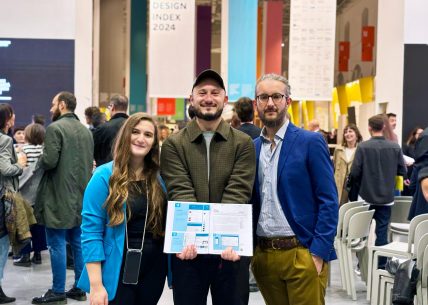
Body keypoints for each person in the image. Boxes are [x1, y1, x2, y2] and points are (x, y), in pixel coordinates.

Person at [160, 69, 256, 305]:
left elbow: (239, 191)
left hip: (230, 251)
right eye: (202, 92)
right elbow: (180, 190)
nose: (208, 98)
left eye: (215, 92)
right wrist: (193, 238)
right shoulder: (174, 144)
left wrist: (223, 239)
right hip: (189, 250)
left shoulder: (242, 143)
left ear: (225, 99)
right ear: (191, 99)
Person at [250, 74, 338, 305]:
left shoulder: (310, 142)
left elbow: (328, 200)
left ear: (288, 101)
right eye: (264, 97)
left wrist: (318, 252)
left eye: (277, 96)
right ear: (255, 103)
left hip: (302, 253)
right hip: (264, 255)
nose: (270, 103)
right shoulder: (252, 148)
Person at [78, 113, 167, 305]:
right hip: (115, 269)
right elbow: (91, 232)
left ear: (154, 142)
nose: (141, 139)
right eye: (135, 132)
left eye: (148, 135)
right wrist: (96, 285)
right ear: (125, 135)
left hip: (153, 270)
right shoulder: (103, 176)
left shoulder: (159, 179)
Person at [32, 92, 94, 305]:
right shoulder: (86, 133)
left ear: (63, 104)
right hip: (81, 197)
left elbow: (49, 161)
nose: (51, 109)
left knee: (57, 244)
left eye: (53, 104)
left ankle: (58, 291)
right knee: (78, 243)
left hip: (57, 196)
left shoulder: (55, 128)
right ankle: (79, 287)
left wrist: (39, 157)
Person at [349, 114, 407, 268]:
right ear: (383, 127)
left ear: (369, 128)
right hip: (386, 197)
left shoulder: (363, 147)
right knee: (382, 232)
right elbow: (402, 170)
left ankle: (362, 266)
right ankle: (381, 265)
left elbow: (355, 172)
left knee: (363, 232)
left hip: (365, 196)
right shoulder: (395, 147)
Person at [0, 103, 26, 304]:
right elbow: (6, 170)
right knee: (2, 244)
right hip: (3, 199)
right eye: (11, 116)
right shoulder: (5, 140)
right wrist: (21, 164)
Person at [14, 123, 47, 267]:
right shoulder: (43, 151)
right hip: (39, 193)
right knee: (38, 224)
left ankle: (25, 255)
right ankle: (38, 255)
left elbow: (20, 169)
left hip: (25, 192)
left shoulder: (23, 150)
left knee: (24, 224)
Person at [93, 95, 129, 166]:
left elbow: (94, 152)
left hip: (106, 173)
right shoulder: (134, 127)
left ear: (112, 107)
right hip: (129, 172)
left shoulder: (102, 128)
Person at [333, 124, 363, 205]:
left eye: (350, 131)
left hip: (354, 185)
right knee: (339, 207)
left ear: (356, 134)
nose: (348, 134)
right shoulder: (338, 150)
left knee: (352, 208)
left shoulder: (361, 150)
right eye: (346, 132)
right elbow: (334, 167)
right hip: (340, 185)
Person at [402, 126, 424, 196]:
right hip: (409, 177)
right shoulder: (407, 147)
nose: (421, 135)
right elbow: (402, 162)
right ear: (414, 135)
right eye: (419, 133)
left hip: (421, 177)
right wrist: (405, 177)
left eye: (422, 133)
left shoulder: (424, 148)